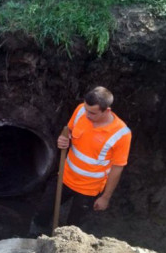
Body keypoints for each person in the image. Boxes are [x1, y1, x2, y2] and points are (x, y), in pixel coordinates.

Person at [31, 86, 131, 235]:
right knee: (44, 210)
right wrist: (63, 139)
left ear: (107, 111)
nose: (87, 114)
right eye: (86, 109)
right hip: (65, 177)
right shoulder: (81, 111)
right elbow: (68, 131)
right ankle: (35, 235)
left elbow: (117, 168)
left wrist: (105, 197)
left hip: (88, 189)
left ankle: (64, 247)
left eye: (92, 113)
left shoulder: (121, 134)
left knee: (73, 227)